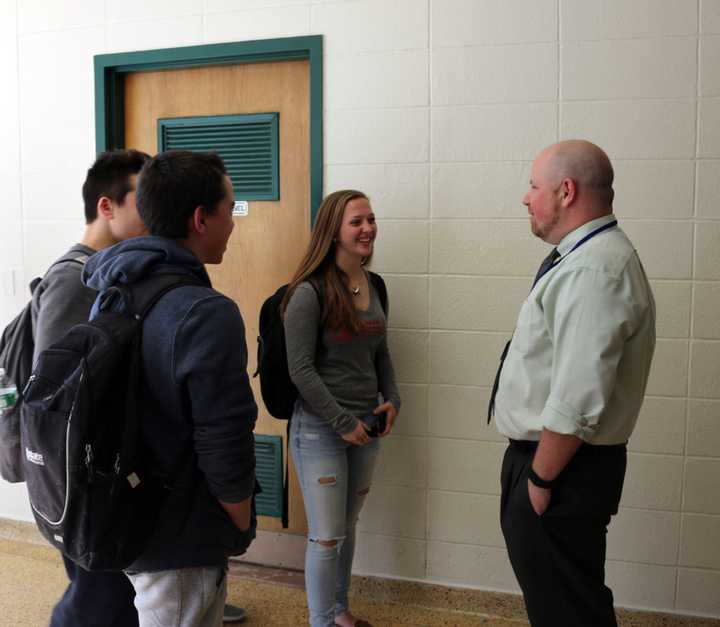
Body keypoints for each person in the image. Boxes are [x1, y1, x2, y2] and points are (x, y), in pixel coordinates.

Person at [82, 150, 257, 627]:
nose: (233, 224)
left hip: (129, 511)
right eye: (229, 211)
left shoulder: (113, 292)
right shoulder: (204, 311)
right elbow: (224, 435)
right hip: (182, 533)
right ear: (201, 219)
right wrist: (239, 522)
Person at [489, 140, 656, 626]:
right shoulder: (585, 257)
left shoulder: (595, 268)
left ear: (566, 191)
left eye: (533, 186)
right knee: (562, 602)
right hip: (556, 463)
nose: (526, 198)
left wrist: (540, 479)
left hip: (561, 469)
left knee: (568, 610)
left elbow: (578, 394)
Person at [31, 149, 149, 627]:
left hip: (97, 469)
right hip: (82, 478)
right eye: (144, 201)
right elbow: (52, 390)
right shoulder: (73, 278)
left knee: (107, 594)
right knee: (97, 598)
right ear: (107, 207)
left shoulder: (107, 272)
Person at [282, 190, 402, 627]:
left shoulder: (375, 285)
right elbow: (300, 369)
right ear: (333, 230)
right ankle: (320, 621)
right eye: (357, 222)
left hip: (366, 428)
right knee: (328, 535)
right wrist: (341, 420)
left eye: (371, 219)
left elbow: (381, 353)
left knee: (348, 527)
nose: (368, 228)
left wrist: (393, 400)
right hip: (320, 430)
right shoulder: (308, 293)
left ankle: (339, 612)